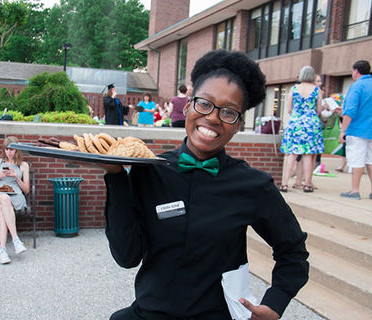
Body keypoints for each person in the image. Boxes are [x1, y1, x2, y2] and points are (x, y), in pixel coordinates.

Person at [100, 50, 309, 320]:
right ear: (187, 106)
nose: (212, 118)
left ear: (238, 125)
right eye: (205, 104)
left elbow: (293, 250)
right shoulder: (150, 171)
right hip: (151, 313)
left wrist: (275, 303)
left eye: (229, 112)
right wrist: (115, 175)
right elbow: (127, 257)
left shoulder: (252, 185)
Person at [339, 60, 372, 200]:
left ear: (356, 71)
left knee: (357, 160)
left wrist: (343, 130)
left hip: (357, 130)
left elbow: (350, 111)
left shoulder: (357, 87)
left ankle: (355, 190)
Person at [0, 136, 30, 264]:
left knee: (1, 209)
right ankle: (16, 239)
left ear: (17, 150)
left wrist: (16, 177)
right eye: (6, 149)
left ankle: (2, 250)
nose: (9, 152)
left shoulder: (23, 165)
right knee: (4, 199)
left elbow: (26, 190)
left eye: (12, 149)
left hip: (15, 195)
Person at [279, 66, 324, 193]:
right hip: (311, 124)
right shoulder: (317, 90)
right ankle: (307, 184)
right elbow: (319, 110)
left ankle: (284, 183)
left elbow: (289, 109)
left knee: (291, 154)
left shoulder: (294, 89)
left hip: (296, 123)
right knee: (308, 155)